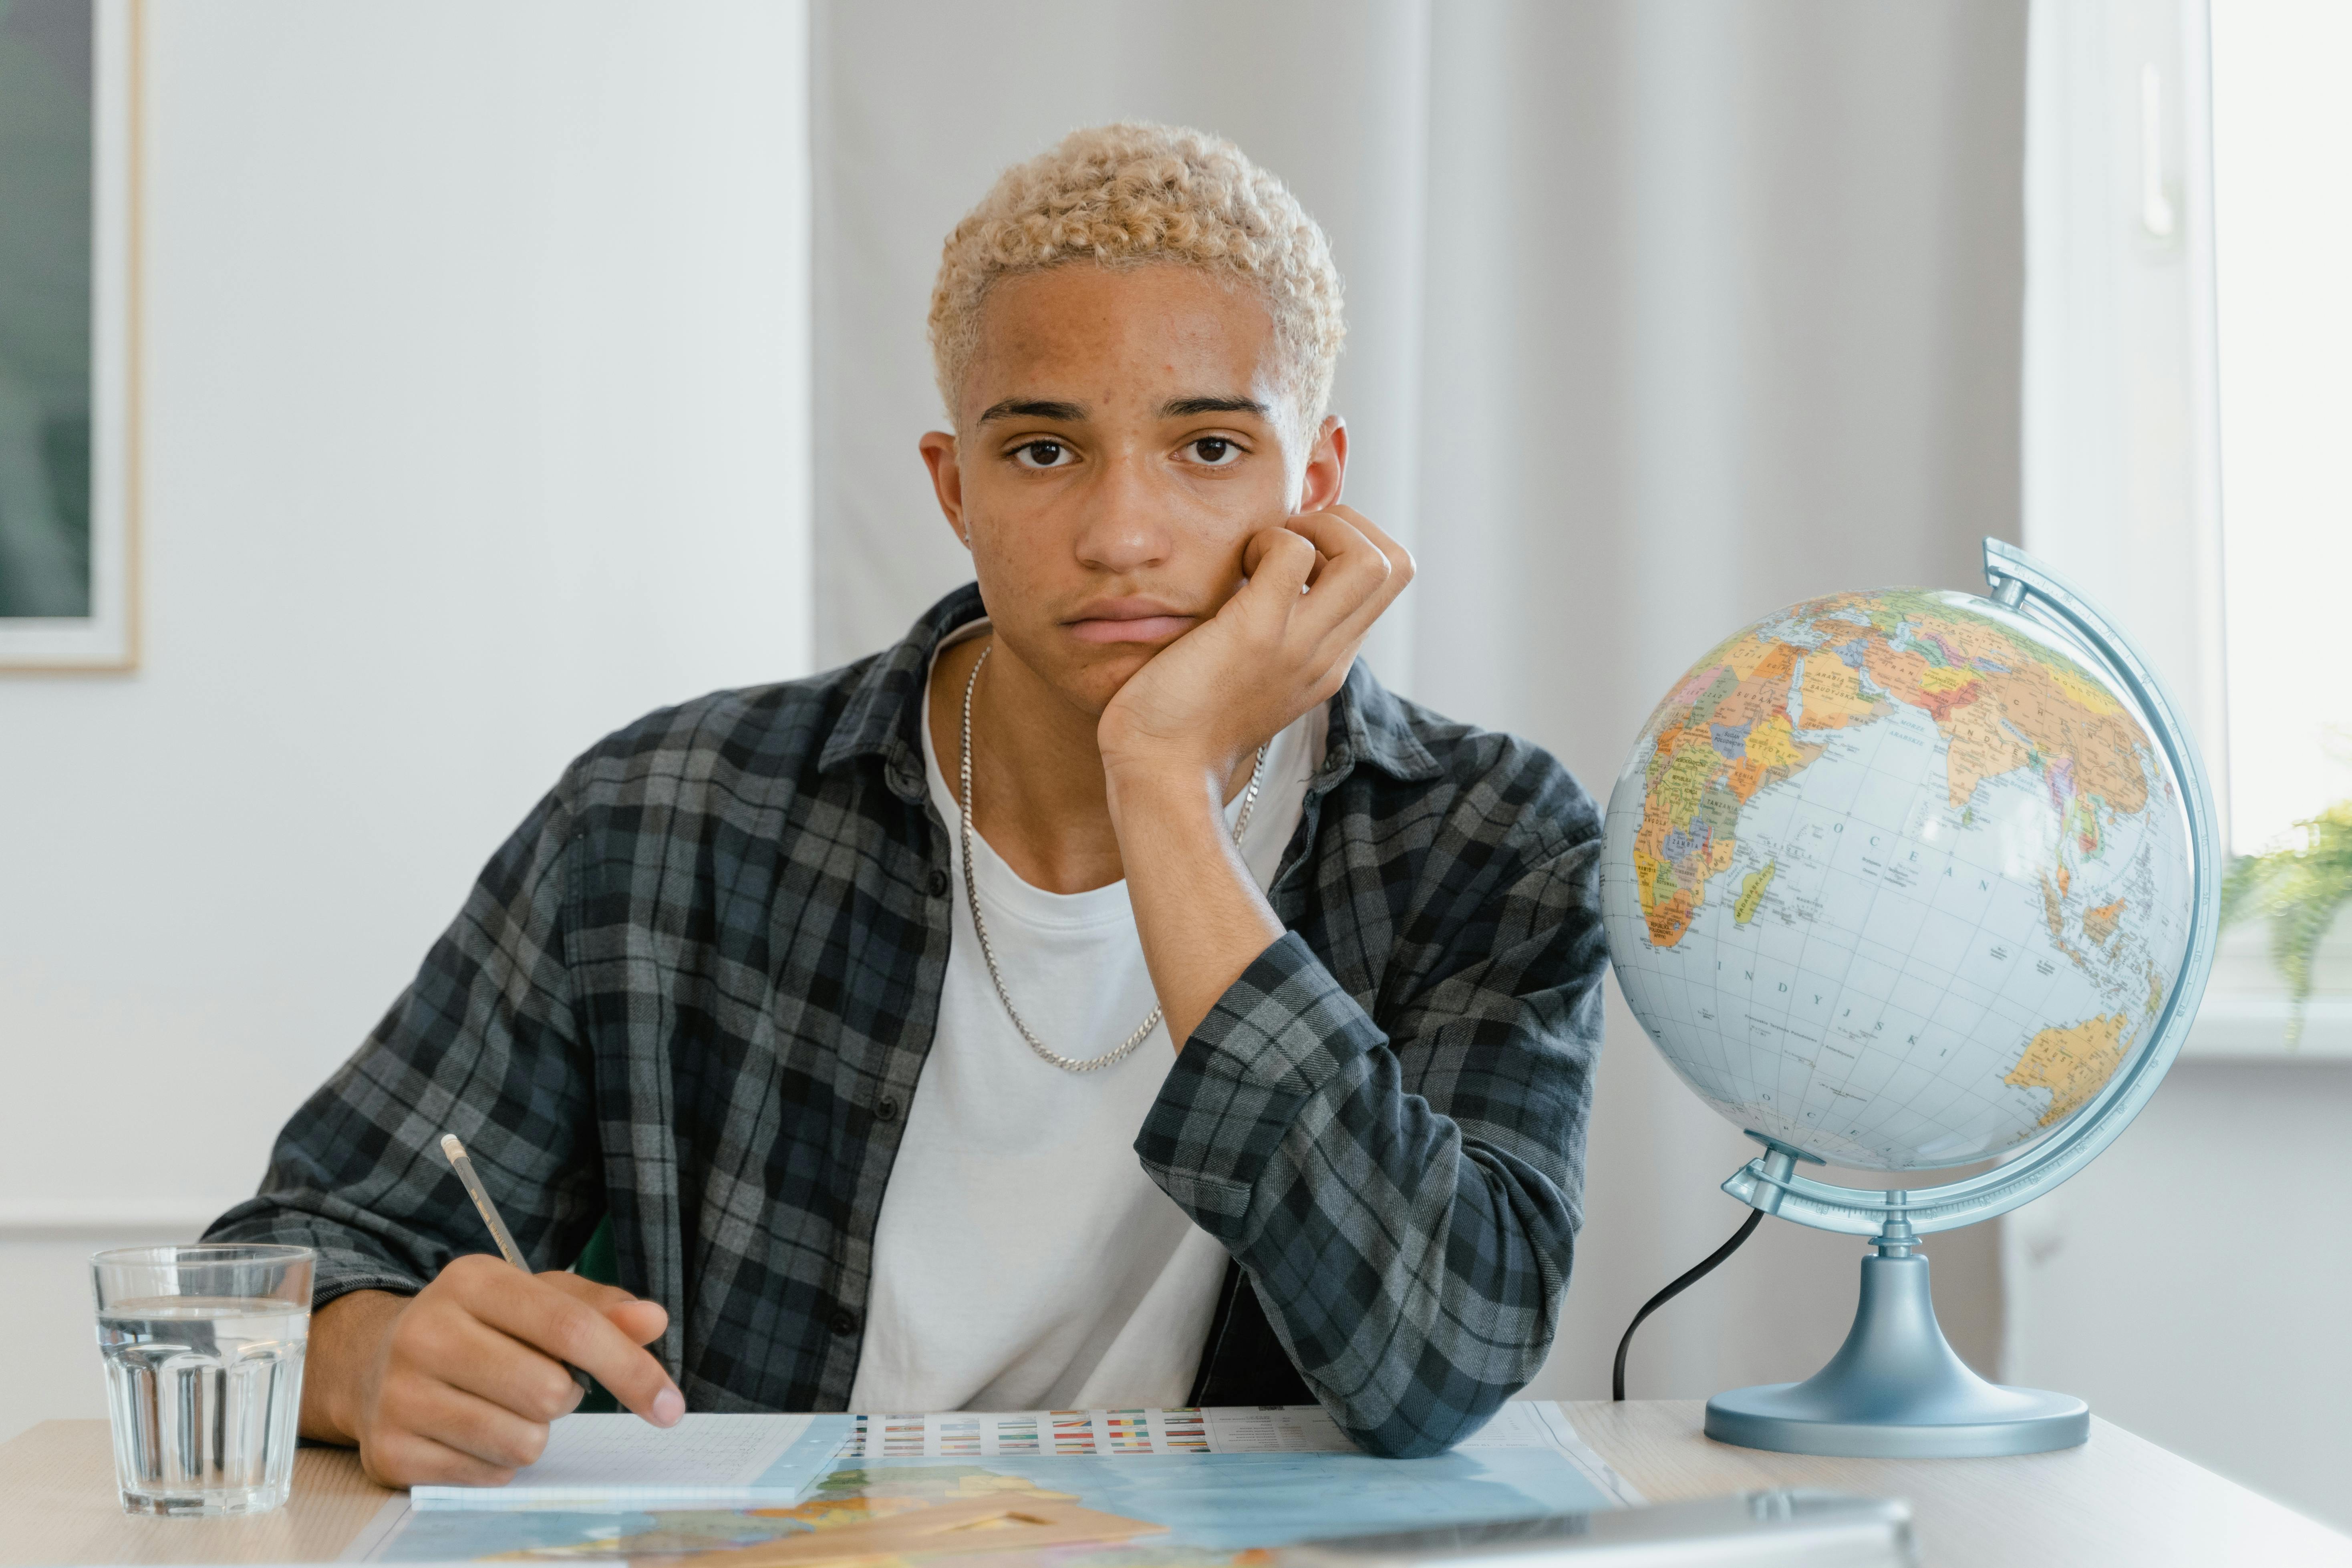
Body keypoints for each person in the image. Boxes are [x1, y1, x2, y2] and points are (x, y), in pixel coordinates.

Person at [207, 122, 1605, 1486]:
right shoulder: (663, 819)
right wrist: (369, 1356)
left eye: (1210, 450)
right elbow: (287, 1258)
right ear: (955, 489)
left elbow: (1442, 1355)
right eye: (1045, 452)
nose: (1124, 534)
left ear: (1318, 483)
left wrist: (1164, 783)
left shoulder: (1485, 840)